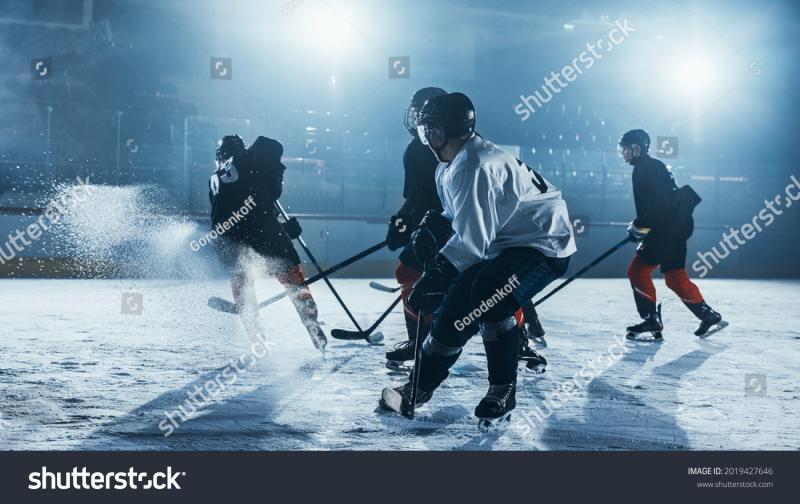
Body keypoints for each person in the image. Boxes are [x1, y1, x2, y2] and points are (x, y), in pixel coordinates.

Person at [379, 93, 576, 429]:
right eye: (425, 131)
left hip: (544, 246)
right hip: (508, 242)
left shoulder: (472, 165)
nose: (426, 137)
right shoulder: (452, 163)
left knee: (489, 292)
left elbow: (473, 242)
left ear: (449, 130)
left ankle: (503, 388)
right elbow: (466, 217)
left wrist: (437, 273)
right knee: (453, 309)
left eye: (432, 131)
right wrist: (439, 224)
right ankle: (419, 386)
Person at [209, 134, 326, 353]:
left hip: (227, 238)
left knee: (242, 283)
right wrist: (283, 229)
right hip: (262, 231)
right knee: (291, 276)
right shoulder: (250, 159)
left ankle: (255, 334)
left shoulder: (215, 178)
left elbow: (239, 206)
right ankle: (310, 320)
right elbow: (263, 199)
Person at [619, 129, 725, 340]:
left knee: (637, 270)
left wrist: (639, 226)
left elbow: (659, 206)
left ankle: (651, 319)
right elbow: (662, 204)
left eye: (625, 149)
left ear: (636, 148)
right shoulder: (654, 166)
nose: (623, 153)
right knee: (674, 276)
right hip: (676, 229)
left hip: (664, 231)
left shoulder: (644, 169)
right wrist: (641, 227)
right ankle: (707, 314)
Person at [384, 86, 447, 371]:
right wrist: (401, 223)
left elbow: (419, 197)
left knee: (485, 282)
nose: (414, 118)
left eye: (419, 112)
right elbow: (417, 197)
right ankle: (420, 340)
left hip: (446, 226)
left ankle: (421, 340)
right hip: (437, 224)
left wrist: (402, 224)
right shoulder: (425, 146)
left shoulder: (422, 149)